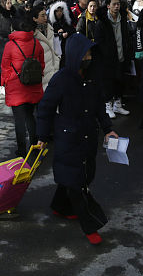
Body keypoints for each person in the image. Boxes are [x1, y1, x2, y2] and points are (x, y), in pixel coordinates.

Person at [36, 34, 118, 245]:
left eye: (91, 53)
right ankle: (91, 224)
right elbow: (44, 109)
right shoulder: (61, 79)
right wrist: (42, 137)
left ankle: (60, 206)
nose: (89, 57)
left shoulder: (92, 79)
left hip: (89, 136)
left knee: (81, 175)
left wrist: (108, 129)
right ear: (75, 55)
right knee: (76, 183)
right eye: (86, 54)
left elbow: (100, 107)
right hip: (67, 139)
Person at [1, 10, 45, 157]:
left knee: (19, 120)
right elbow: (41, 64)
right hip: (33, 84)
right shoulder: (36, 42)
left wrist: (6, 82)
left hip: (16, 86)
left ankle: (21, 150)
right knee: (30, 117)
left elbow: (5, 66)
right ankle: (34, 147)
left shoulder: (10, 45)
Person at [96, 0, 134, 118]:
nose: (117, 6)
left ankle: (118, 105)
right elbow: (99, 42)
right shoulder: (102, 22)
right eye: (114, 4)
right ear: (108, 6)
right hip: (108, 59)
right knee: (108, 83)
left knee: (120, 81)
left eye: (118, 4)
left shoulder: (122, 19)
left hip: (121, 55)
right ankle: (108, 106)